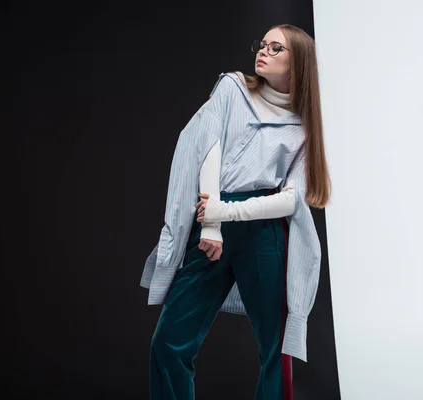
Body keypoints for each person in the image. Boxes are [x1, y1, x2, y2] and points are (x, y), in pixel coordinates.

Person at [140, 23, 331, 399]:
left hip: (264, 231)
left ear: (298, 65)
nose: (263, 51)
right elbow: (207, 146)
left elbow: (290, 199)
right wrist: (211, 224)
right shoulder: (232, 87)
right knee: (169, 342)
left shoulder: (305, 126)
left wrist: (222, 214)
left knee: (277, 351)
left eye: (276, 48)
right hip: (213, 215)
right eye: (263, 44)